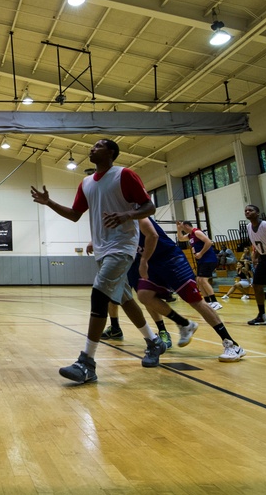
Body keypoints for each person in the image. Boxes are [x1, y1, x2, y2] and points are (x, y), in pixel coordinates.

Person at [30, 138, 167, 385]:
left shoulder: (124, 175)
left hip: (122, 246)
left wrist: (128, 214)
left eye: (98, 146)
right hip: (102, 250)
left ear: (111, 152)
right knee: (125, 298)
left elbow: (150, 207)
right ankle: (154, 342)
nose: (91, 148)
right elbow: (74, 215)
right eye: (91, 146)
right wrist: (49, 202)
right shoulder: (85, 183)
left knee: (99, 294)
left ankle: (87, 362)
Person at [133, 218, 245, 362]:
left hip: (170, 259)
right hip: (152, 263)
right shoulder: (113, 222)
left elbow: (153, 235)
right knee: (144, 295)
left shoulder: (133, 213)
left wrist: (143, 261)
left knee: (195, 301)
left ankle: (231, 344)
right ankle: (184, 324)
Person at [177, 220, 221, 311]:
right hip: (202, 260)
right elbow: (181, 239)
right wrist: (178, 229)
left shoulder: (196, 232)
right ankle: (208, 301)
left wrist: (201, 253)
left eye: (182, 226)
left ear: (186, 225)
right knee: (199, 280)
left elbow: (209, 242)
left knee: (203, 279)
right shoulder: (190, 235)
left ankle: (215, 302)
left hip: (208, 259)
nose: (182, 228)